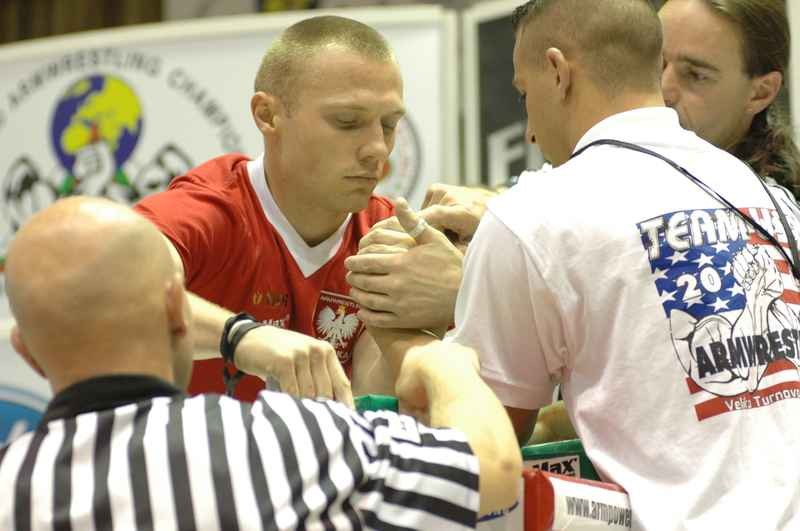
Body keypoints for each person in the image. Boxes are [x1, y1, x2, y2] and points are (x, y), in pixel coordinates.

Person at [0, 196, 521, 529]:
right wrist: (433, 357)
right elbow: (489, 472)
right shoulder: (295, 439)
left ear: (25, 350)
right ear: (177, 311)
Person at [134, 15, 406, 403]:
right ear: (267, 115)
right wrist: (241, 337)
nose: (378, 149)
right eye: (348, 122)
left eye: (390, 125)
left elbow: (374, 401)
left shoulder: (390, 236)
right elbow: (113, 287)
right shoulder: (211, 209)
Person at [660, 0, 800, 194]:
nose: (662, 89)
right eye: (656, 64)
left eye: (696, 75)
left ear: (761, 93)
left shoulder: (786, 213)